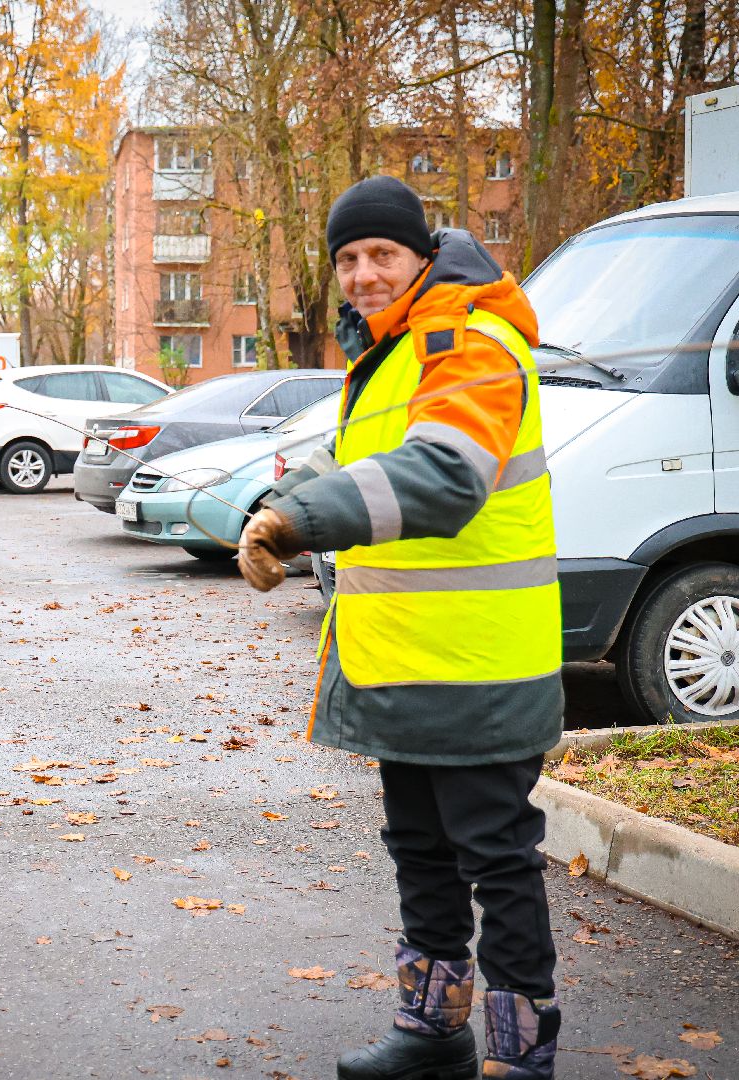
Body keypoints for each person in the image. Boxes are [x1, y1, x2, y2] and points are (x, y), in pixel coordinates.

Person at [238, 176, 563, 1080]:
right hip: (406, 661)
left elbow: (444, 474)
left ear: (422, 255)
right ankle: (433, 1034)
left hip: (483, 664)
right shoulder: (387, 355)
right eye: (347, 259)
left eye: (381, 254)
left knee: (497, 861)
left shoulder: (469, 342)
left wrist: (301, 524)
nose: (363, 274)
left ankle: (522, 1058)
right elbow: (350, 460)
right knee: (419, 852)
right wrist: (275, 507)